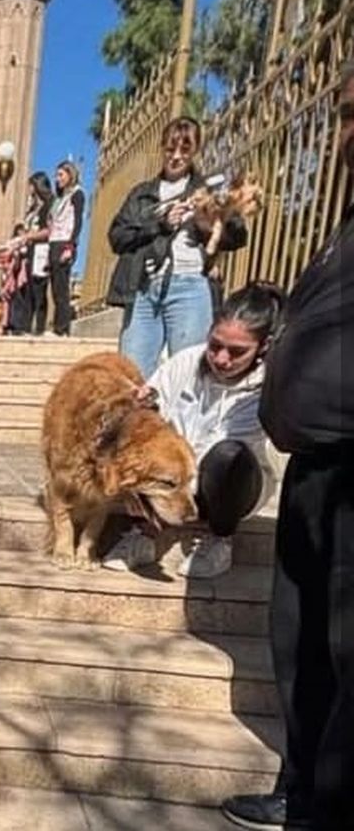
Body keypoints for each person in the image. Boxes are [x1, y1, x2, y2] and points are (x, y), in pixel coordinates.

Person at [221, 64, 354, 831]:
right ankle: (300, 789)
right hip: (313, 470)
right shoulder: (341, 226)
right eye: (341, 117)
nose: (342, 137)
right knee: (299, 645)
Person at [101, 282, 282, 579]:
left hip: (226, 488)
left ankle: (220, 539)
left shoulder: (265, 389)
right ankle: (144, 535)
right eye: (215, 345)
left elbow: (214, 455)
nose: (221, 358)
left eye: (237, 352)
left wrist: (169, 488)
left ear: (262, 347)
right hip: (173, 480)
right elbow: (150, 410)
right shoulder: (186, 361)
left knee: (227, 456)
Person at [108, 116, 248, 378]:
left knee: (187, 376)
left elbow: (239, 235)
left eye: (185, 150)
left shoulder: (208, 189)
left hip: (190, 287)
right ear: (162, 148)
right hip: (143, 289)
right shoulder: (141, 194)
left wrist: (208, 223)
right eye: (170, 149)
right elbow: (117, 237)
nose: (176, 156)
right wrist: (159, 224)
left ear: (194, 151)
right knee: (131, 377)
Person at [47, 160, 85, 336]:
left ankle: (61, 328)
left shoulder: (77, 194)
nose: (58, 178)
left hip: (65, 242)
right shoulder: (60, 198)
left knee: (62, 288)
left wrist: (71, 245)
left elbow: (77, 221)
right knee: (55, 288)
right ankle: (57, 325)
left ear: (70, 175)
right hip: (54, 241)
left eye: (61, 175)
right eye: (57, 175)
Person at [19, 171, 55, 336]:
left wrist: (30, 236)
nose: (29, 189)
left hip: (42, 249)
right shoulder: (33, 207)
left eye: (31, 185)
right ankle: (26, 326)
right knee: (29, 289)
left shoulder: (49, 205)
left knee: (40, 290)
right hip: (30, 250)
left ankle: (40, 327)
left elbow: (49, 230)